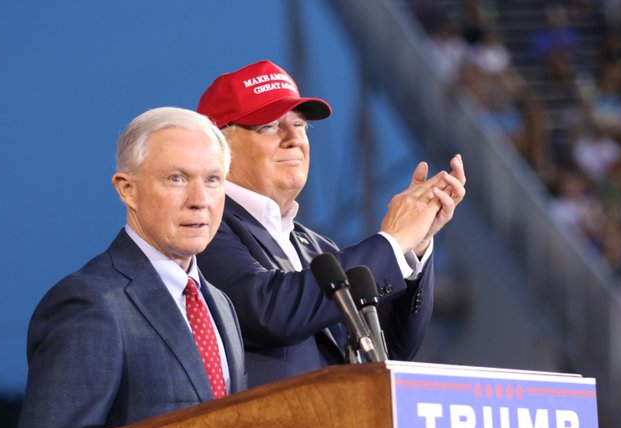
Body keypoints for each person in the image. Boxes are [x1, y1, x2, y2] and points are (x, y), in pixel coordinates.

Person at [196, 59, 466, 386]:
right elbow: (268, 310)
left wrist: (414, 244)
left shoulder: (317, 246)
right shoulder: (201, 228)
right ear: (217, 147)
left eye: (300, 125)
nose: (293, 138)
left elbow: (387, 351)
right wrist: (392, 241)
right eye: (268, 125)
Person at [16, 107, 247, 428]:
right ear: (127, 189)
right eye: (176, 178)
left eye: (213, 179)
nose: (199, 199)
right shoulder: (90, 303)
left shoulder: (218, 304)